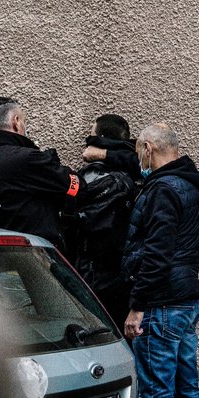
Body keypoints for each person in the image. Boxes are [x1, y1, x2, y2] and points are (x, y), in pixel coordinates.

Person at [121, 122, 199, 398]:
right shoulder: (191, 185)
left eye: (138, 152)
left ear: (148, 148)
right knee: (187, 390)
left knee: (157, 397)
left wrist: (138, 306)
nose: (138, 160)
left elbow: (157, 253)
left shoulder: (162, 189)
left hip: (161, 304)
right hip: (187, 300)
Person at [0, 97, 81, 252]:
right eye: (24, 121)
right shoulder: (27, 159)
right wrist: (56, 168)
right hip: (38, 257)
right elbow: (77, 187)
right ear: (16, 121)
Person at [66, 114, 141, 330]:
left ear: (100, 138)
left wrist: (102, 154)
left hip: (95, 272)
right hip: (123, 274)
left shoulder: (91, 176)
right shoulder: (133, 171)